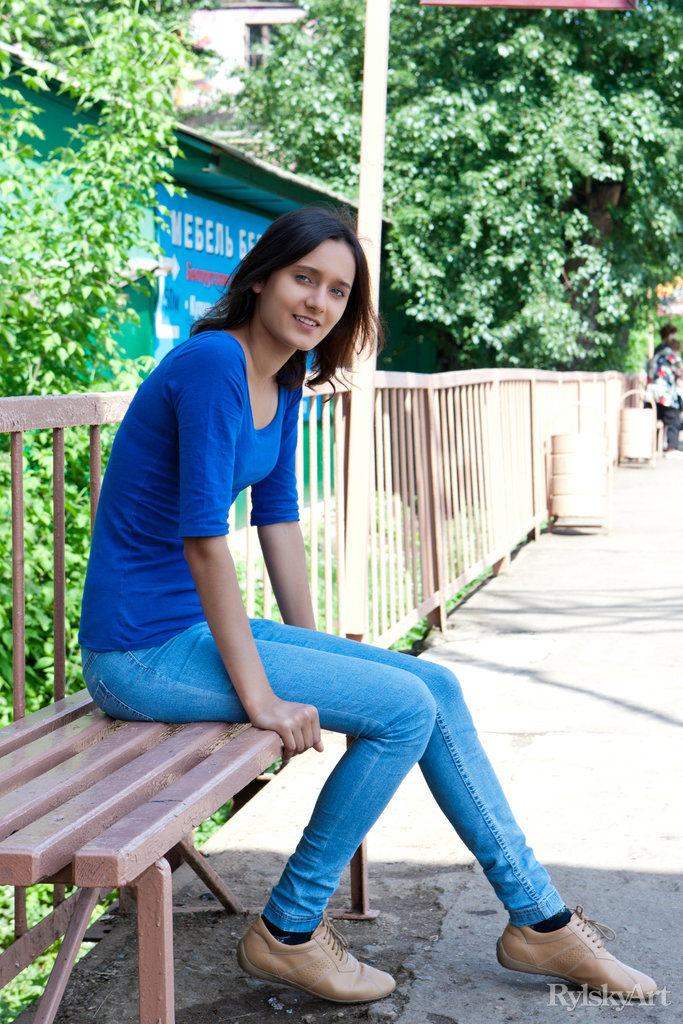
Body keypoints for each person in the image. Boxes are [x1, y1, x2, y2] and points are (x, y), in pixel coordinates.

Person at [79, 207, 657, 1004]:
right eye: (303, 278)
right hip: (137, 654)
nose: (318, 302)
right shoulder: (213, 363)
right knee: (402, 709)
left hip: (190, 634)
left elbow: (277, 520)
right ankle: (288, 931)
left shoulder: (286, 376)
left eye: (337, 290)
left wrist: (317, 657)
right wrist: (264, 698)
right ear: (260, 278)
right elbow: (205, 540)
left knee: (434, 686)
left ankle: (540, 920)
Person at [646, 324, 682, 455]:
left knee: (654, 419)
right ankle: (671, 449)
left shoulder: (657, 351)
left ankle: (653, 448)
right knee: (673, 420)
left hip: (651, 391)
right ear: (668, 336)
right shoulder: (671, 354)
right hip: (665, 393)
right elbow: (680, 372)